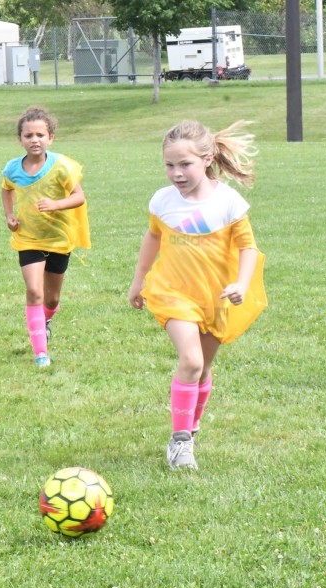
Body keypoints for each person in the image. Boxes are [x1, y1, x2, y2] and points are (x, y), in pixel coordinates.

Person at [128, 120, 267, 470]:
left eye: (184, 164)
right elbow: (153, 238)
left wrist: (241, 283)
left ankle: (191, 424)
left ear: (206, 159)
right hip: (173, 293)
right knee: (190, 361)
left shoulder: (229, 201)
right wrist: (138, 280)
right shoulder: (162, 200)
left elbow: (248, 248)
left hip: (215, 297)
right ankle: (180, 443)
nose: (176, 173)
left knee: (203, 370)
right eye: (169, 165)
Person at [1, 107, 91, 367]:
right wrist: (9, 215)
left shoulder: (62, 167)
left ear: (50, 137)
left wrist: (55, 205)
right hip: (28, 238)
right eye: (28, 135)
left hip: (59, 239)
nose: (34, 139)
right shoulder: (12, 169)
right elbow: (6, 190)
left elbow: (79, 197)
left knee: (51, 299)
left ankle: (47, 320)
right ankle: (41, 352)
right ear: (20, 139)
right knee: (33, 290)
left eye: (40, 134)